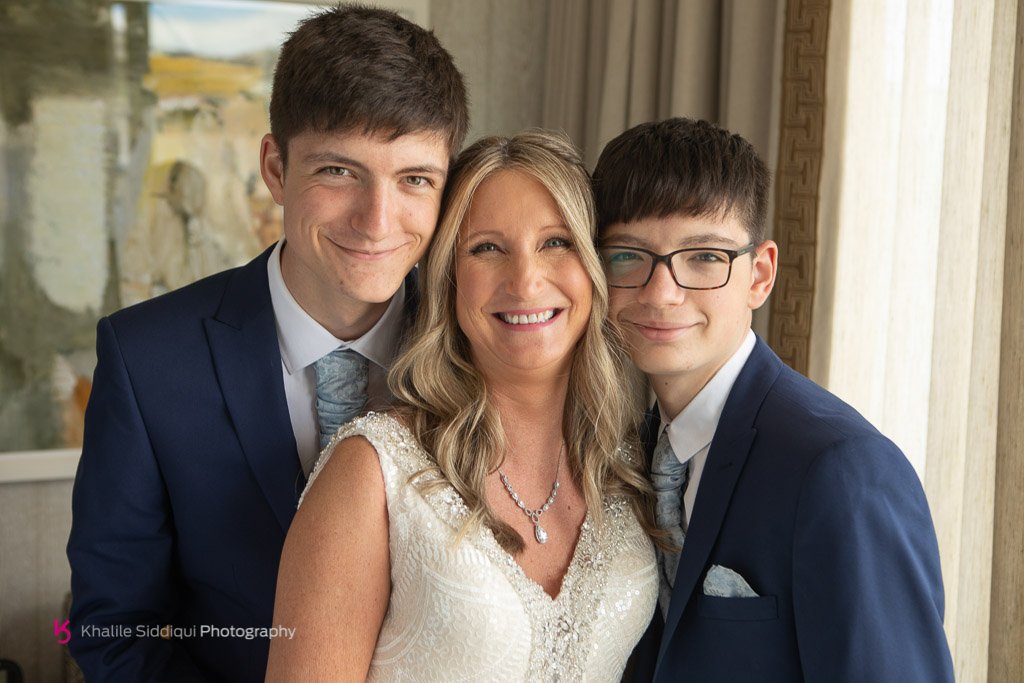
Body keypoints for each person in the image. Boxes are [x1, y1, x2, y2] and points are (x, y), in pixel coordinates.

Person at [66, 6, 468, 681]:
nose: (377, 221)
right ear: (276, 169)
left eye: (414, 179)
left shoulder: (479, 342)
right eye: (339, 171)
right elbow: (111, 627)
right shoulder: (147, 361)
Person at [265, 130, 660, 681]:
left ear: (594, 268)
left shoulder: (630, 465)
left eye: (557, 242)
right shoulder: (371, 472)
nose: (525, 281)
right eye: (487, 248)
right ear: (449, 282)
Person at [593, 117, 954, 682]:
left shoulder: (841, 469)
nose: (662, 292)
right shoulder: (627, 456)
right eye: (628, 256)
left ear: (759, 276)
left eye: (704, 257)